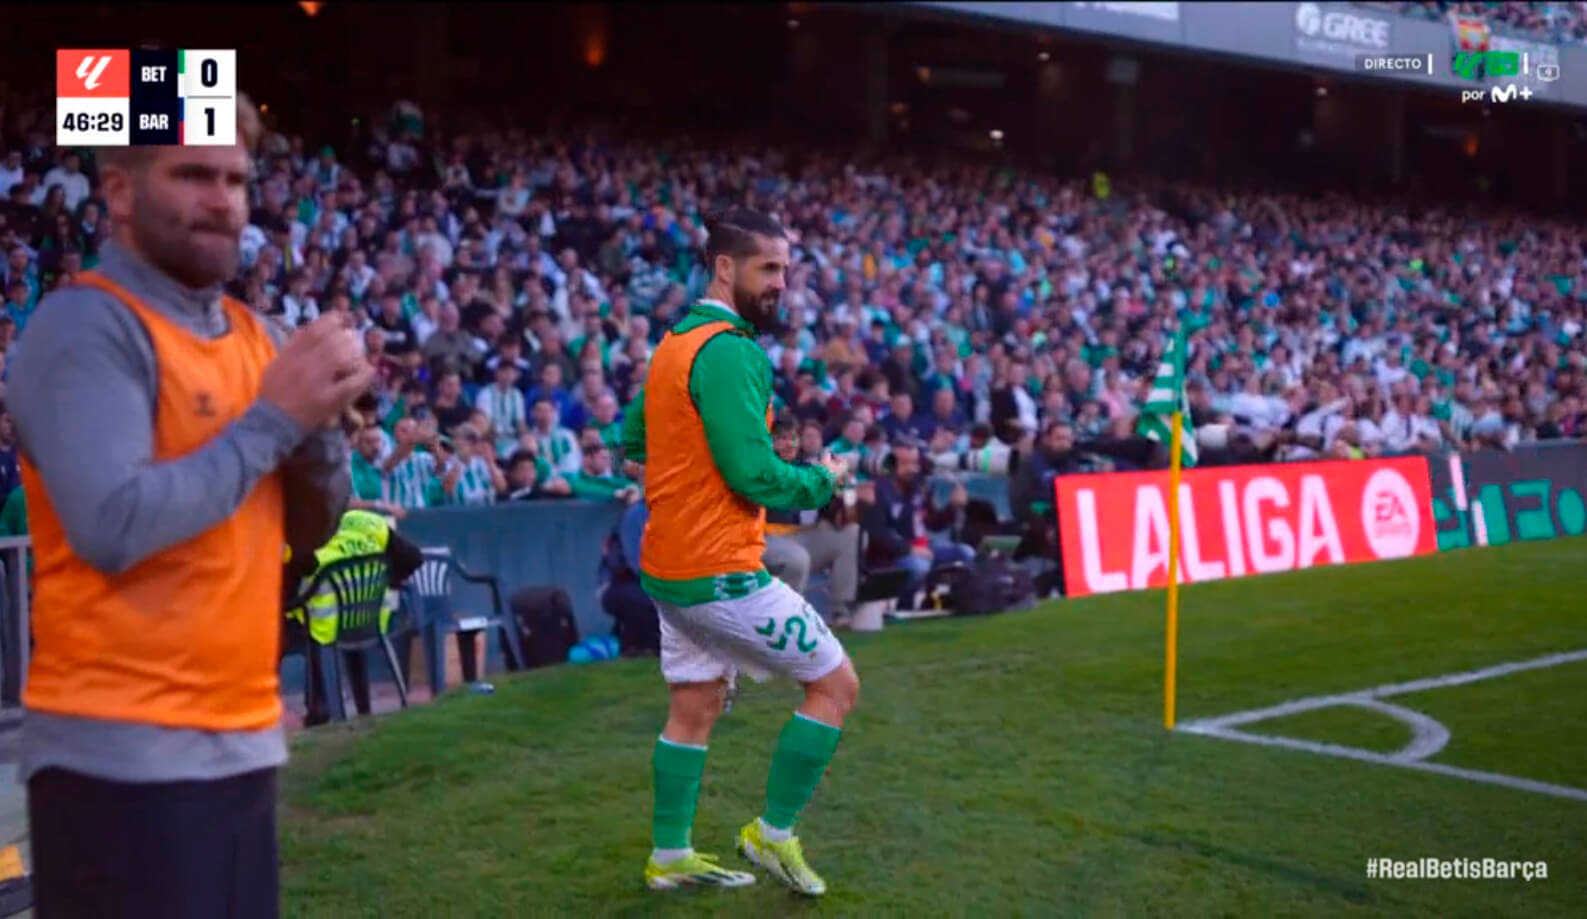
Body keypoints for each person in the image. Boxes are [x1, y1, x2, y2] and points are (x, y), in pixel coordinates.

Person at [7, 93, 373, 919]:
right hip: (118, 763)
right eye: (193, 173)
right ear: (121, 192)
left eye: (237, 178)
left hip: (237, 745)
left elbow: (309, 526)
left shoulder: (253, 332)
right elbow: (114, 525)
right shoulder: (83, 326)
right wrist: (277, 416)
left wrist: (317, 425)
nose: (223, 200)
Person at [621, 208, 857, 896]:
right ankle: (772, 834)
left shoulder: (675, 342)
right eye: (768, 268)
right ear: (725, 268)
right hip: (718, 570)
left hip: (668, 565)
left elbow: (634, 439)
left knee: (693, 705)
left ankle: (670, 853)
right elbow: (754, 474)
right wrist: (824, 478)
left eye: (785, 268)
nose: (781, 282)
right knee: (836, 685)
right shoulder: (730, 350)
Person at [283, 508, 423, 725]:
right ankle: (360, 704)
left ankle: (316, 705)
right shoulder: (369, 522)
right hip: (368, 621)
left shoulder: (303, 533)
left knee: (278, 627)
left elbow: (294, 577)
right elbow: (414, 558)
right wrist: (388, 580)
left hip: (323, 624)